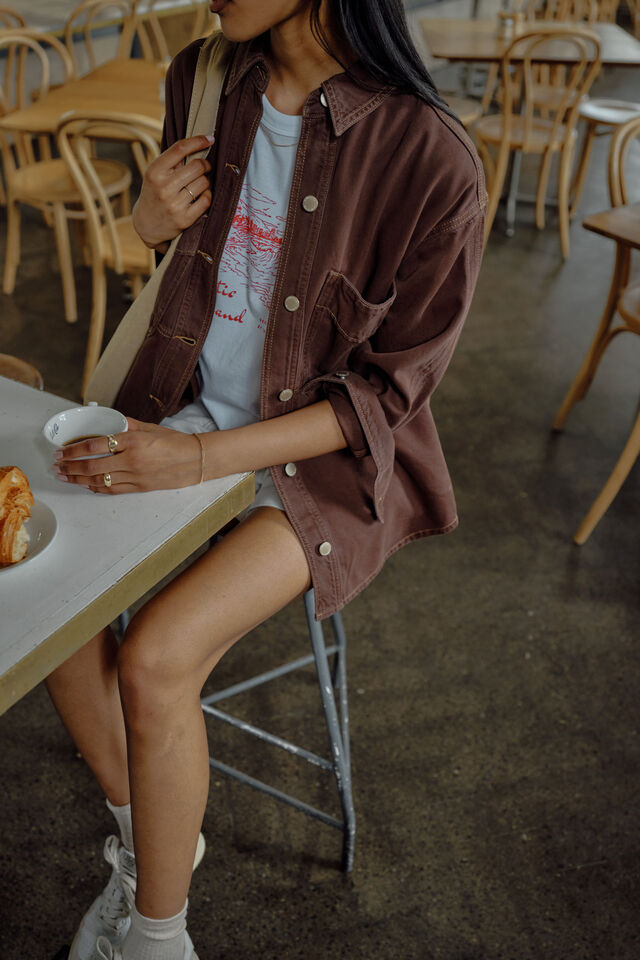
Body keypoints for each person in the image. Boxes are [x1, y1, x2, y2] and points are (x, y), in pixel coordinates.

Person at [47, 1, 486, 957]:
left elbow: (385, 396)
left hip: (320, 467)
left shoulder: (432, 159)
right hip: (177, 411)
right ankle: (151, 847)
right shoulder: (203, 77)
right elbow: (185, 276)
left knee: (157, 658)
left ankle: (159, 937)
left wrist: (200, 459)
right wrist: (146, 223)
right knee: (49, 604)